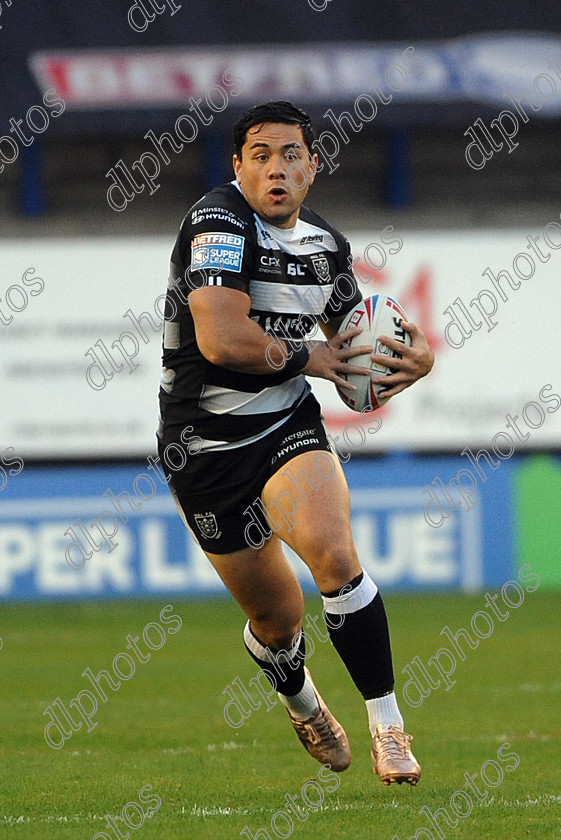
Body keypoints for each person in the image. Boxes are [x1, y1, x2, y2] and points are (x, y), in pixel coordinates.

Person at [157, 100, 434, 785]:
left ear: (312, 168)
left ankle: (388, 727)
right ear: (237, 167)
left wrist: (413, 358)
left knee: (335, 556)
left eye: (289, 155)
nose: (275, 168)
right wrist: (316, 357)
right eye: (259, 155)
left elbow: (355, 348)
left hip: (286, 426)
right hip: (203, 445)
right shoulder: (216, 221)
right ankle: (302, 701)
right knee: (277, 620)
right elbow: (222, 341)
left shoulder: (325, 247)